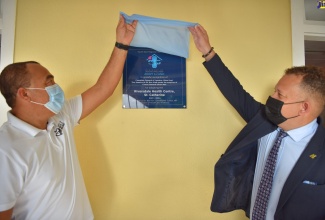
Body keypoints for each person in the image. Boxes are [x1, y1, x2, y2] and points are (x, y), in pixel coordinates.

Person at [0, 15, 137, 220]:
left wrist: (122, 44)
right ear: (25, 94)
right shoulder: (6, 149)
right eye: (48, 83)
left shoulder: (60, 115)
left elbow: (103, 88)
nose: (56, 87)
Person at [189, 24, 325, 220]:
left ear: (303, 107)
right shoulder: (263, 120)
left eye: (280, 94)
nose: (271, 96)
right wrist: (207, 52)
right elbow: (235, 91)